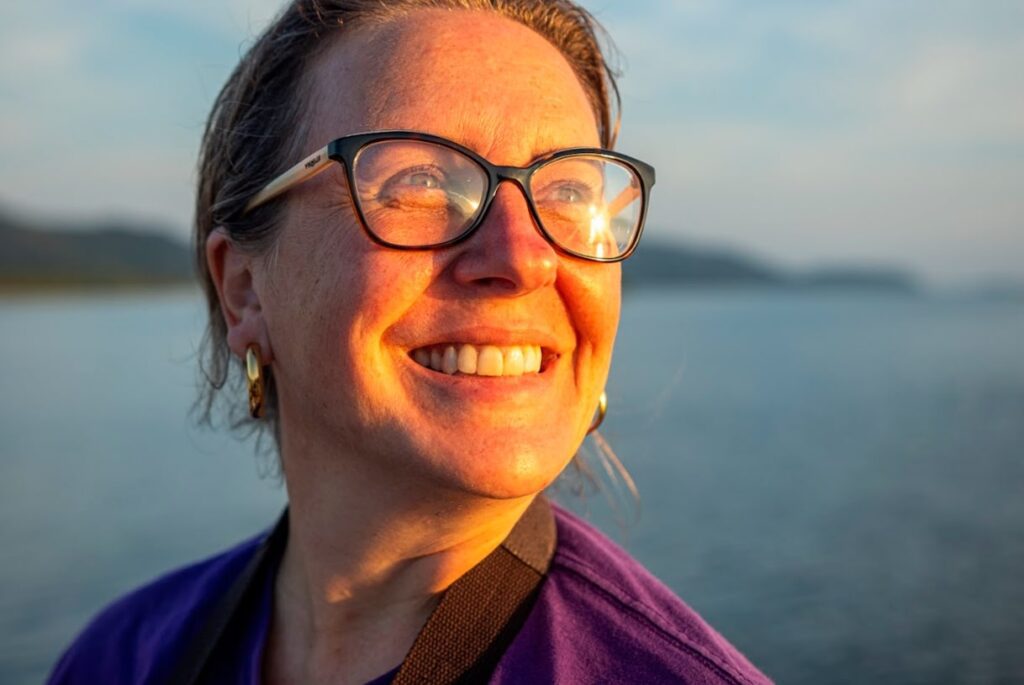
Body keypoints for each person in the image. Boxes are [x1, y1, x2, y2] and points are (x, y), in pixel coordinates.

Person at [49, 1, 772, 683]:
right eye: (422, 181)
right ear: (244, 289)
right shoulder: (123, 658)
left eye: (569, 194)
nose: (525, 258)